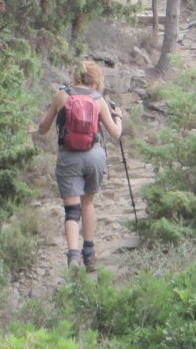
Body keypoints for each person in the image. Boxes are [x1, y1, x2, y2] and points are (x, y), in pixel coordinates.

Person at [35, 60, 123, 271]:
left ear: (76, 76)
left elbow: (42, 128)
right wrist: (119, 117)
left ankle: (73, 256)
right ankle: (89, 253)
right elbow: (116, 133)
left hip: (69, 157)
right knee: (88, 203)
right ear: (95, 80)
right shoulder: (99, 100)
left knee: (71, 210)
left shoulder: (62, 96)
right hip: (94, 156)